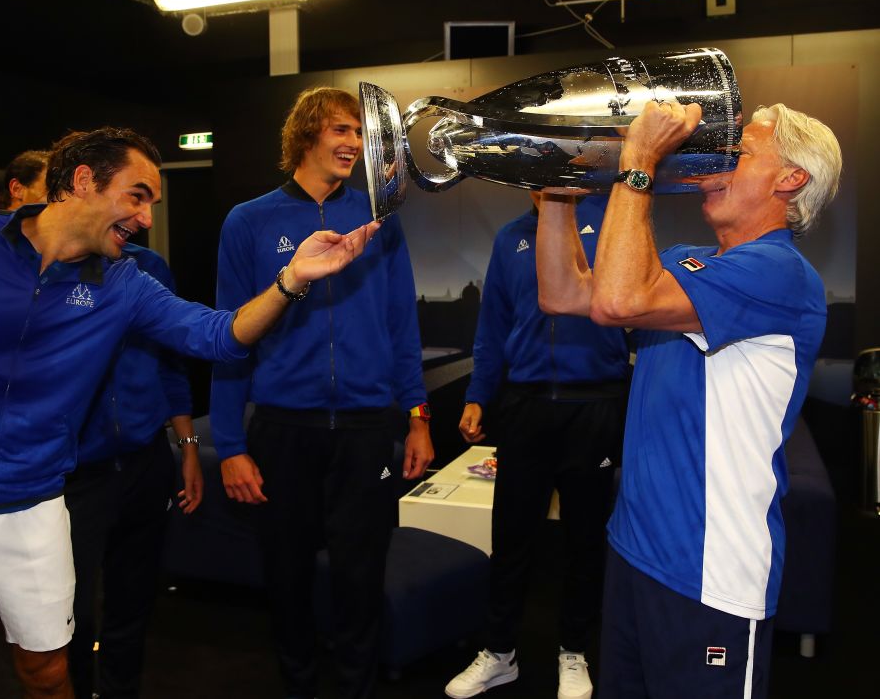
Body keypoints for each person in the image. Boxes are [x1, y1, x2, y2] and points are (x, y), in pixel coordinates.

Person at [0, 126, 379, 699]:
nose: (144, 216)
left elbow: (219, 336)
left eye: (151, 203)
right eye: (136, 195)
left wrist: (291, 280)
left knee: (47, 674)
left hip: (32, 507)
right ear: (83, 181)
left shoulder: (122, 283)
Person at [534, 101, 842, 698]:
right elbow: (564, 293)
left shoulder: (782, 273)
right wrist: (556, 193)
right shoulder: (683, 264)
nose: (714, 163)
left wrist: (641, 160)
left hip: (712, 576)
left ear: (790, 179)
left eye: (740, 153)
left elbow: (617, 302)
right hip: (633, 552)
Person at [210, 87, 434, 699]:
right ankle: (299, 684)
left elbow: (400, 324)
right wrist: (229, 444)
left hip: (366, 429)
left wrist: (416, 416)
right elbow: (229, 337)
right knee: (286, 579)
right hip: (284, 430)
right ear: (306, 134)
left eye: (360, 135)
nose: (354, 145)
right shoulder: (248, 221)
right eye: (341, 131)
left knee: (361, 579)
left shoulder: (377, 221)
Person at [444, 194, 629, 699]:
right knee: (511, 537)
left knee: (585, 539)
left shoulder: (611, 220)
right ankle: (500, 652)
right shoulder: (510, 238)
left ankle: (575, 651)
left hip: (594, 402)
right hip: (525, 405)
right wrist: (479, 395)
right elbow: (492, 329)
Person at [65, 240, 202, 699]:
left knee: (133, 604)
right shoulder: (52, 270)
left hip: (146, 459)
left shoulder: (149, 267)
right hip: (76, 473)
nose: (141, 217)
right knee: (71, 613)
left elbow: (171, 362)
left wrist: (187, 447)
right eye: (133, 196)